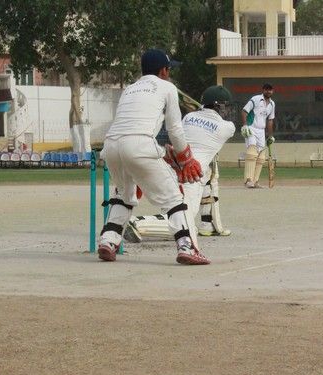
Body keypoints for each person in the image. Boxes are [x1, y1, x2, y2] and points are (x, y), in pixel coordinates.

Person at [96, 48, 205, 265]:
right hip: (139, 145)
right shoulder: (168, 87)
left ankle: (108, 241)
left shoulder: (129, 89)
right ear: (163, 70)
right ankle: (187, 247)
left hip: (111, 146)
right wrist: (186, 157)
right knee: (174, 197)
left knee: (124, 194)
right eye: (169, 69)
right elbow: (175, 129)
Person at [124, 85, 237, 246]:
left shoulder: (188, 117)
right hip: (190, 175)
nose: (228, 111)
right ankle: (137, 222)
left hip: (170, 168)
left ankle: (208, 224)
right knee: (185, 224)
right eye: (226, 107)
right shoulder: (227, 127)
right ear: (218, 106)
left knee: (208, 172)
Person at [241, 83, 275, 188]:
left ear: (273, 91)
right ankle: (248, 180)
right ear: (263, 90)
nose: (268, 91)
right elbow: (244, 111)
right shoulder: (255, 99)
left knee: (261, 157)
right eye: (266, 89)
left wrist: (270, 136)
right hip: (251, 127)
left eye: (270, 90)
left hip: (261, 131)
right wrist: (245, 125)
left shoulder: (272, 104)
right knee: (252, 152)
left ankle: (255, 181)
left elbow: (270, 120)